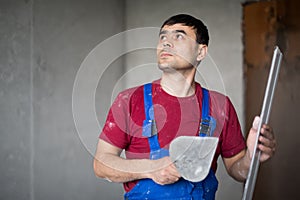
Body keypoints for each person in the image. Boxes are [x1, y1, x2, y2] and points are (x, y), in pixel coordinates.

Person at [93, 14, 276, 199]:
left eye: (178, 36)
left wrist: (252, 157)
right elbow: (101, 164)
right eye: (163, 37)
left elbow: (237, 169)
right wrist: (151, 168)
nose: (166, 43)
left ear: (201, 52)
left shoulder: (221, 106)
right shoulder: (130, 100)